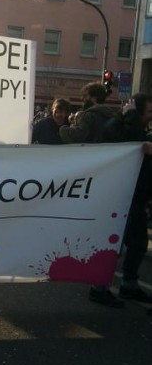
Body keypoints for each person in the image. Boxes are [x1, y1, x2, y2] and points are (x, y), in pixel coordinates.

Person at [60, 82, 123, 307]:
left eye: (85, 94)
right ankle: (100, 276)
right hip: (110, 177)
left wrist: (65, 127)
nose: (82, 97)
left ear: (93, 96)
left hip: (90, 177)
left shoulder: (87, 116)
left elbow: (75, 138)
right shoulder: (113, 116)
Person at [114, 94, 152, 310]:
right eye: (148, 113)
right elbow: (129, 144)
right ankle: (99, 288)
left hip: (137, 197)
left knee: (137, 244)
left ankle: (128, 284)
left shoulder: (141, 130)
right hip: (122, 198)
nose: (151, 117)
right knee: (114, 246)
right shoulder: (123, 128)